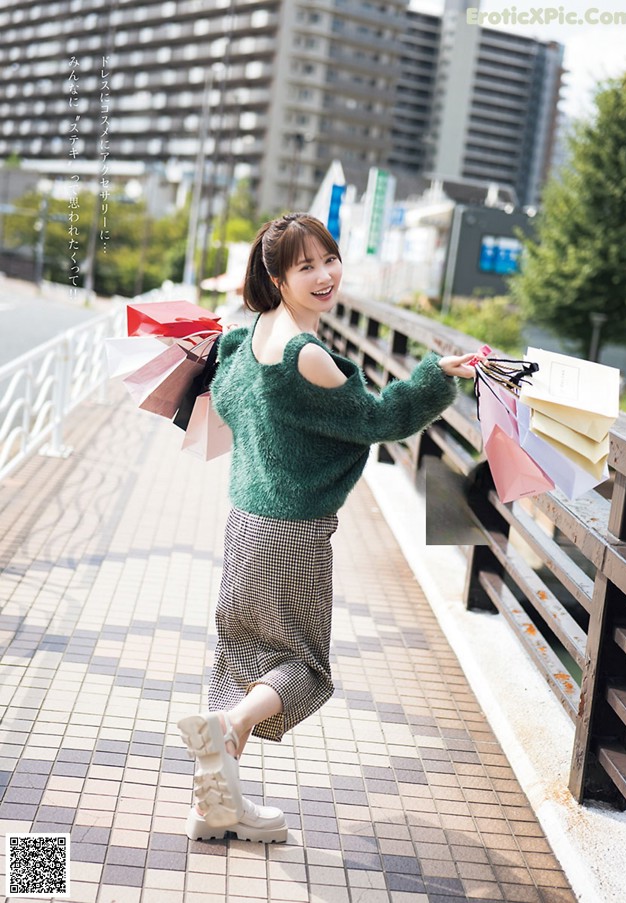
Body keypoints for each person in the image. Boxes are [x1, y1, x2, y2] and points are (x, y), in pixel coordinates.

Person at [177, 212, 479, 845]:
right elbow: (380, 419)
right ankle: (230, 728)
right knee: (303, 665)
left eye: (329, 259)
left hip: (244, 521)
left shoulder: (246, 336)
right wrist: (435, 376)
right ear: (277, 275)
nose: (324, 275)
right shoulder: (305, 354)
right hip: (294, 533)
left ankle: (214, 807)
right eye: (304, 266)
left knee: (239, 654)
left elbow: (233, 403)